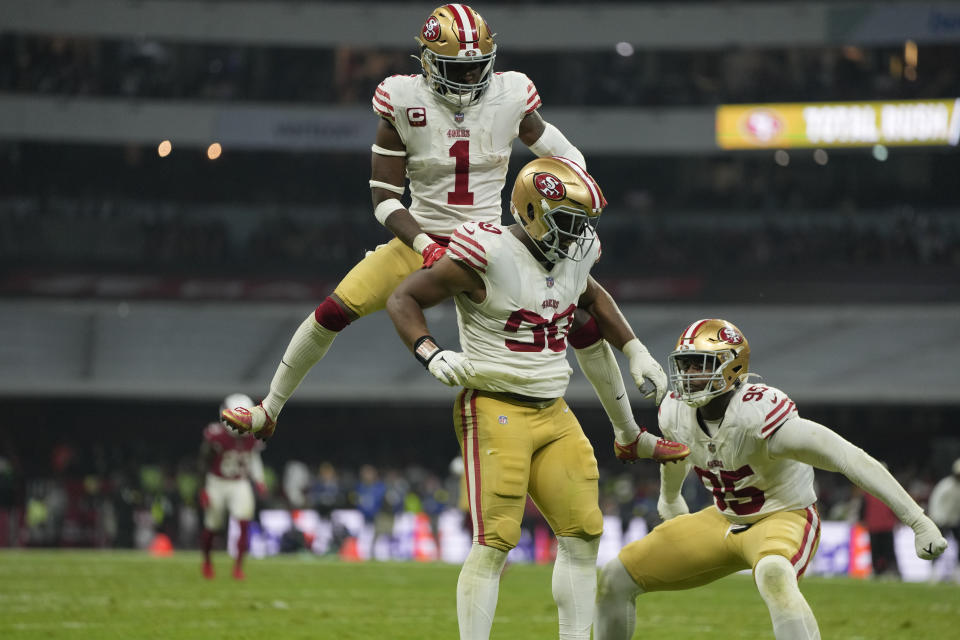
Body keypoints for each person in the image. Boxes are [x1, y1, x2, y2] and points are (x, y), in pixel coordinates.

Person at [221, 4, 669, 441]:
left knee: (580, 321)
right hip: (423, 237)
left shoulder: (510, 94)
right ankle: (269, 409)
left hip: (493, 246)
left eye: (478, 67)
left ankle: (628, 433)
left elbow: (569, 158)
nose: (471, 78)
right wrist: (424, 247)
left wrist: (565, 200)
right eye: (459, 68)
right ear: (429, 63)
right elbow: (384, 199)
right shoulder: (402, 100)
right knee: (332, 312)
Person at [385, 156, 689, 640]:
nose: (578, 235)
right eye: (569, 222)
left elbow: (592, 296)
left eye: (583, 223)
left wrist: (634, 350)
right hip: (493, 403)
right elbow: (402, 298)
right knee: (495, 542)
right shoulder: (486, 250)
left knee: (584, 532)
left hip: (553, 408)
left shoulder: (574, 254)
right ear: (532, 210)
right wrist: (431, 353)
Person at [594, 318, 948, 640]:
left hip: (783, 516)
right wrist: (669, 499)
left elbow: (846, 456)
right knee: (614, 578)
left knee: (774, 574)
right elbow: (679, 453)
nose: (687, 374)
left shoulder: (757, 415)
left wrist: (917, 520)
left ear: (731, 367)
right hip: (723, 519)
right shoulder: (675, 411)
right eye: (684, 364)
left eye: (699, 365)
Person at [200, 393, 267, 580]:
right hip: (217, 482)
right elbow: (203, 462)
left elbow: (254, 458)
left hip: (240, 482)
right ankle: (207, 561)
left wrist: (259, 480)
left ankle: (238, 568)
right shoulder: (216, 435)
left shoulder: (253, 434)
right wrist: (203, 489)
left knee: (244, 522)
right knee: (212, 526)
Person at [929, 458, 960, 582]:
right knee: (937, 546)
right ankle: (934, 572)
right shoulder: (945, 485)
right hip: (941, 520)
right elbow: (935, 502)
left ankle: (957, 572)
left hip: (955, 520)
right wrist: (938, 519)